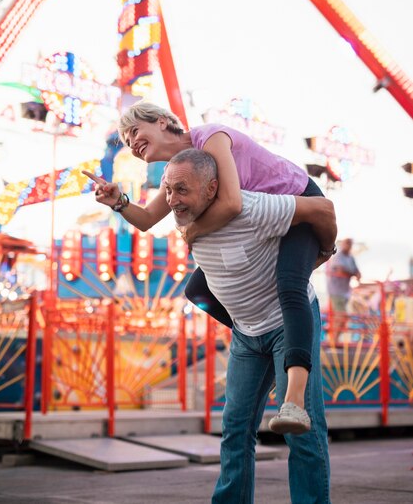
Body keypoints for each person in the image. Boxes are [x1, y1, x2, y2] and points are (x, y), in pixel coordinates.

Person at [83, 101, 337, 433]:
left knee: (289, 285)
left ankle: (294, 397)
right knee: (198, 289)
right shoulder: (183, 170)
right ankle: (261, 341)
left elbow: (230, 204)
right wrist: (118, 201)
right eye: (127, 142)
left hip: (297, 205)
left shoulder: (211, 138)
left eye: (134, 132)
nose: (131, 144)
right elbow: (146, 220)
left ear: (162, 122)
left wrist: (193, 231)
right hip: (263, 222)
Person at [164, 148, 335, 504]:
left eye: (181, 189)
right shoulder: (188, 223)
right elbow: (198, 286)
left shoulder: (252, 208)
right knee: (235, 429)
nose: (171, 199)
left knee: (302, 431)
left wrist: (323, 251)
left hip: (289, 324)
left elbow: (321, 209)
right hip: (247, 336)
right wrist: (120, 201)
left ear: (212, 188)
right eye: (168, 189)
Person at [326, 238, 361, 342]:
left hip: (344, 292)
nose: (348, 246)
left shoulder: (350, 258)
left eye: (350, 244)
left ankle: (334, 339)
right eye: (347, 243)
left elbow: (357, 272)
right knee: (341, 315)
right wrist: (353, 273)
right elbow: (342, 271)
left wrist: (353, 273)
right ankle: (333, 340)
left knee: (342, 316)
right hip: (336, 291)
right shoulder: (338, 256)